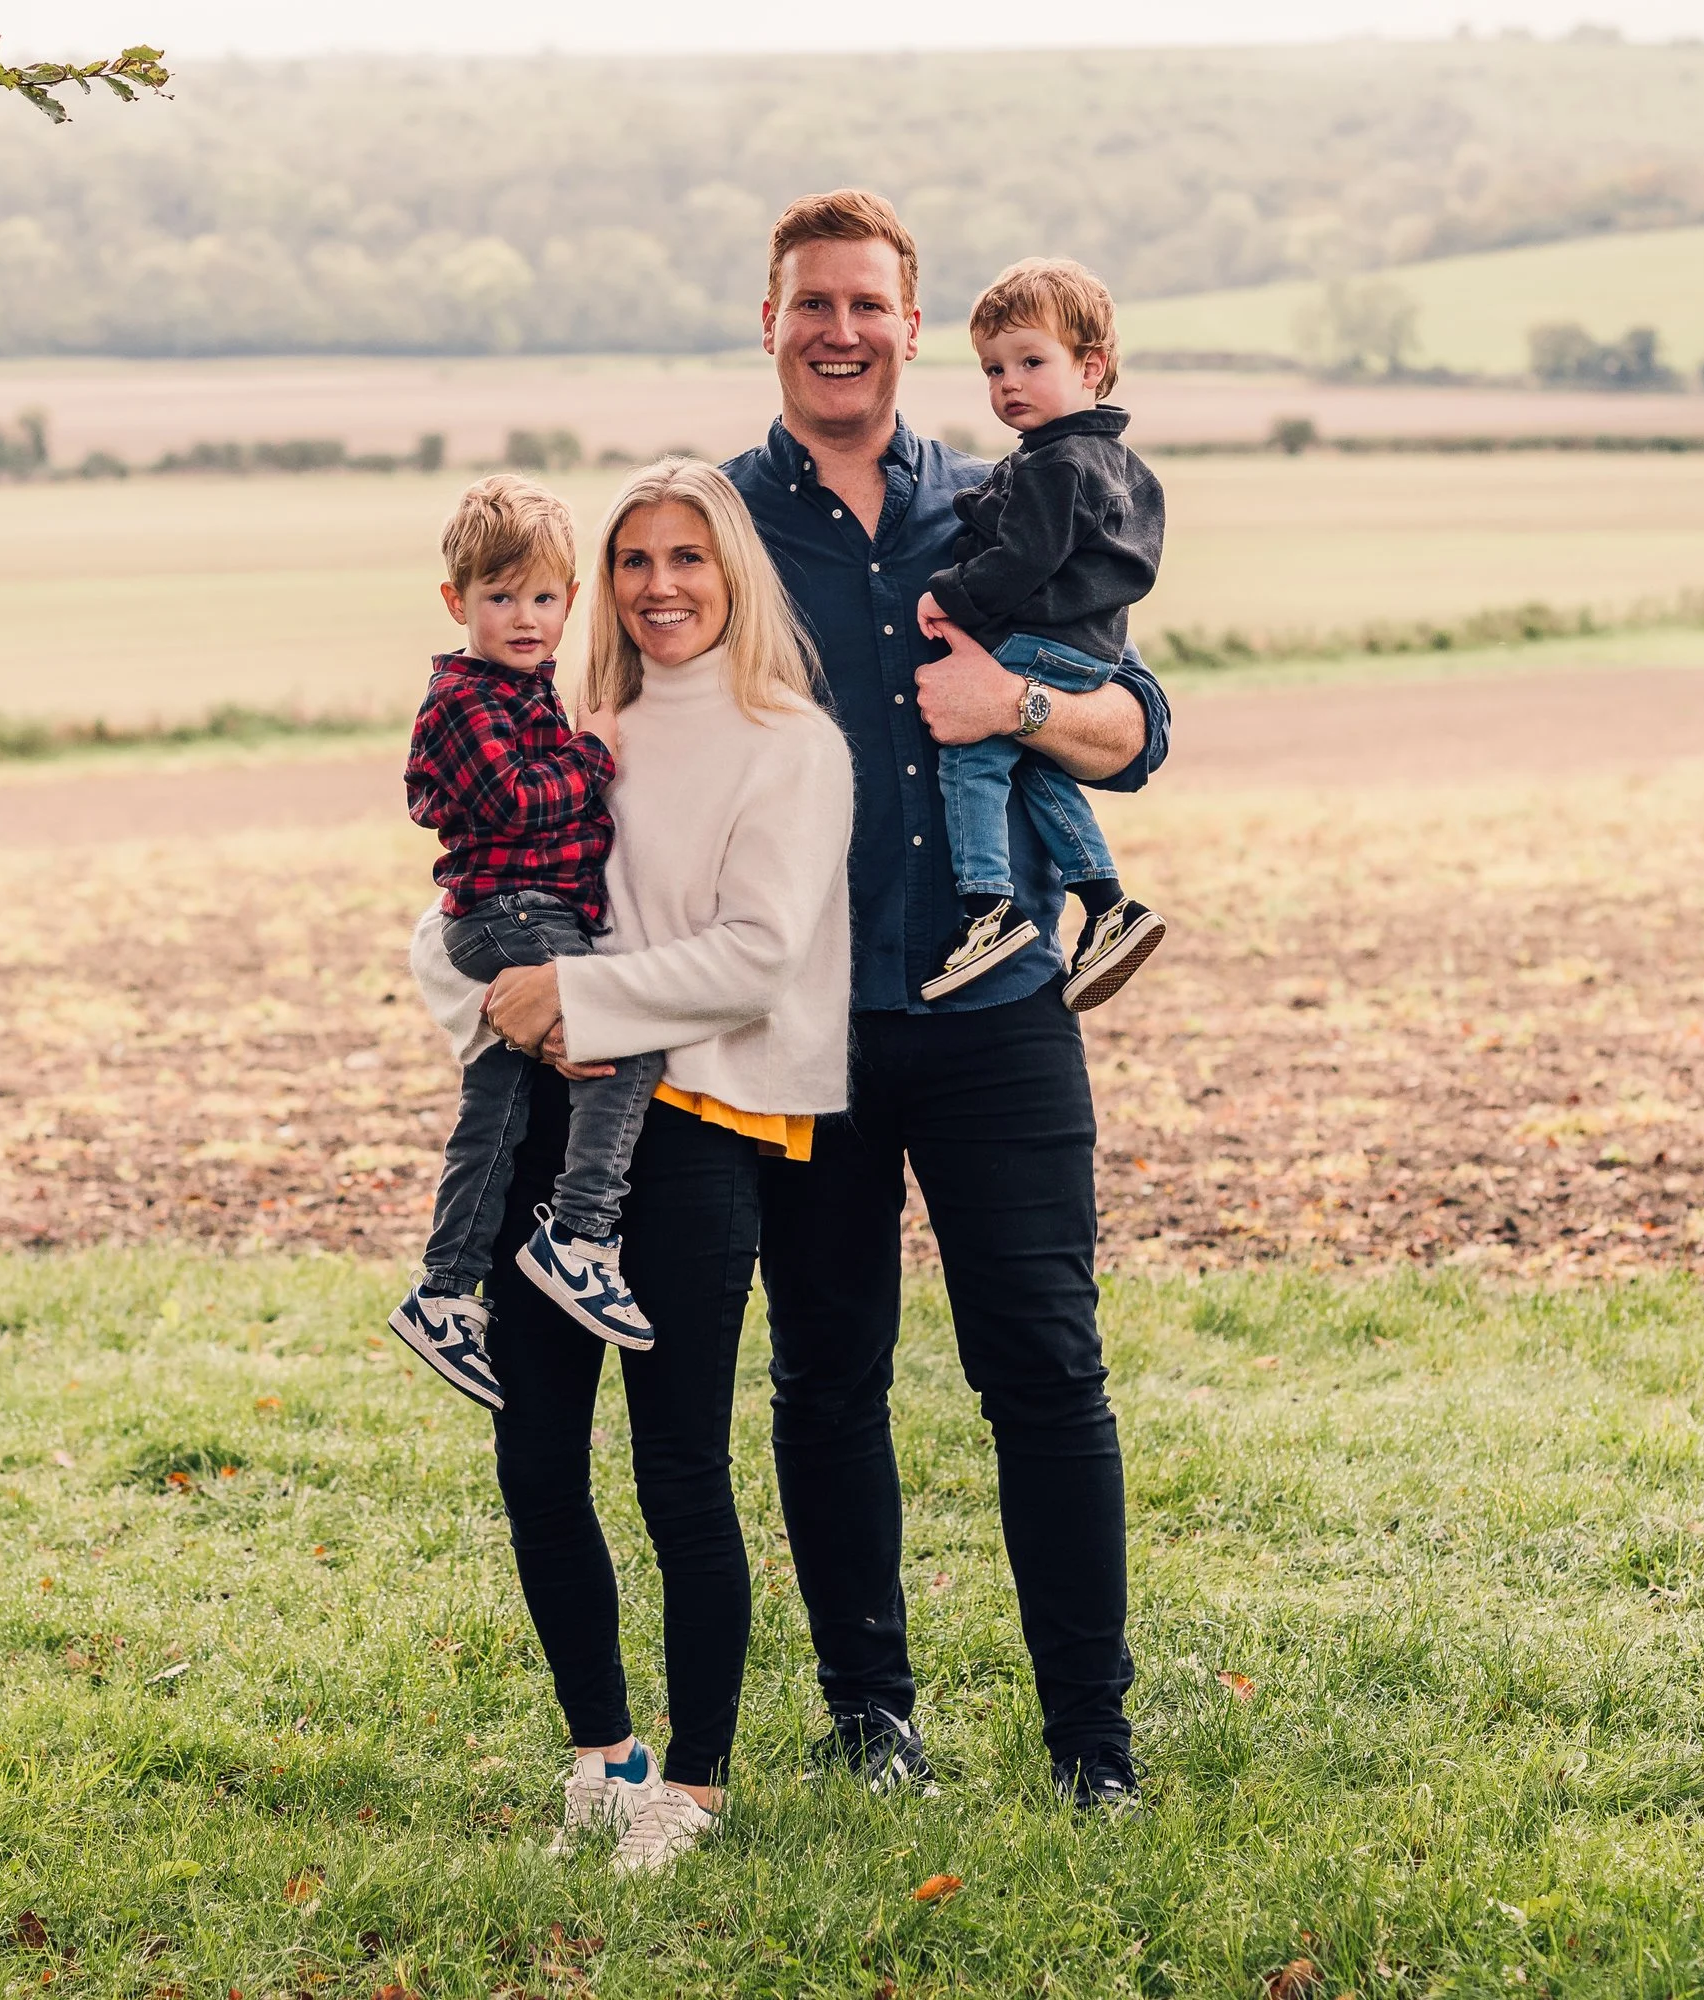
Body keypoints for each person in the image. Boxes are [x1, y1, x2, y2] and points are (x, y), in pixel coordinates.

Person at [723, 190, 1171, 1812]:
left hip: (1000, 1019)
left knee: (1046, 1369)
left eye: (867, 304)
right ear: (765, 321)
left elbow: (1138, 728)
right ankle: (872, 1724)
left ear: (912, 330)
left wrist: (1019, 700)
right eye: (809, 303)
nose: (839, 330)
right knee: (827, 1375)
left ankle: (1093, 1750)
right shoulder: (712, 527)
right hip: (803, 1029)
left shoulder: (1012, 501)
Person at [413, 458, 854, 1871]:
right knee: (538, 1461)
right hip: (548, 1116)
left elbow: (759, 955)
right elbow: (468, 915)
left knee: (678, 1474)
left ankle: (698, 1788)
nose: (660, 585)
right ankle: (604, 1760)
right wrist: (487, 1002)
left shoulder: (788, 741)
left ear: (734, 572)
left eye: (690, 558)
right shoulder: (572, 723)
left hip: (694, 1142)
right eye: (635, 561)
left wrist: (573, 1002)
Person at [392, 475, 664, 1407]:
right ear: (456, 600)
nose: (524, 617)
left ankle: (443, 1290)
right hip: (509, 911)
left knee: (496, 1107)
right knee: (627, 1028)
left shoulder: (529, 691)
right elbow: (517, 799)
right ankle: (581, 1234)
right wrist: (594, 755)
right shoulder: (466, 700)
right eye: (499, 596)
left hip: (526, 910)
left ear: (571, 602)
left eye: (543, 598)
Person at [916, 257, 1168, 1010]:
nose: (1008, 385)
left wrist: (949, 597)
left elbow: (1023, 560)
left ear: (1092, 367)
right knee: (1039, 771)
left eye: (1031, 361)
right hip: (1090, 650)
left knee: (970, 760)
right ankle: (1110, 904)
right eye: (993, 369)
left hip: (1042, 641)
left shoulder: (1054, 466)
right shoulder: (1115, 463)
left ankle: (987, 911)